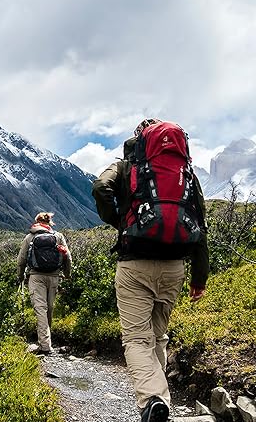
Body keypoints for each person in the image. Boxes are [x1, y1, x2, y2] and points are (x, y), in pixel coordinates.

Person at [92, 119, 210, 422]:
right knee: (157, 336)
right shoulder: (186, 174)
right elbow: (199, 223)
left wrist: (122, 222)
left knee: (136, 339)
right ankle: (161, 402)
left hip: (135, 264)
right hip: (175, 267)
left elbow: (100, 188)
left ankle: (153, 400)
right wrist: (200, 277)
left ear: (140, 140)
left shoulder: (126, 167)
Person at [17, 212, 72, 355]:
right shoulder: (58, 236)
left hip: (36, 277)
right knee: (49, 308)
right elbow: (68, 257)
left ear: (36, 222)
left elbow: (21, 260)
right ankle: (46, 341)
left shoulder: (30, 237)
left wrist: (21, 276)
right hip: (54, 277)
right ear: (50, 222)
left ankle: (45, 345)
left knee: (40, 309)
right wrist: (67, 274)